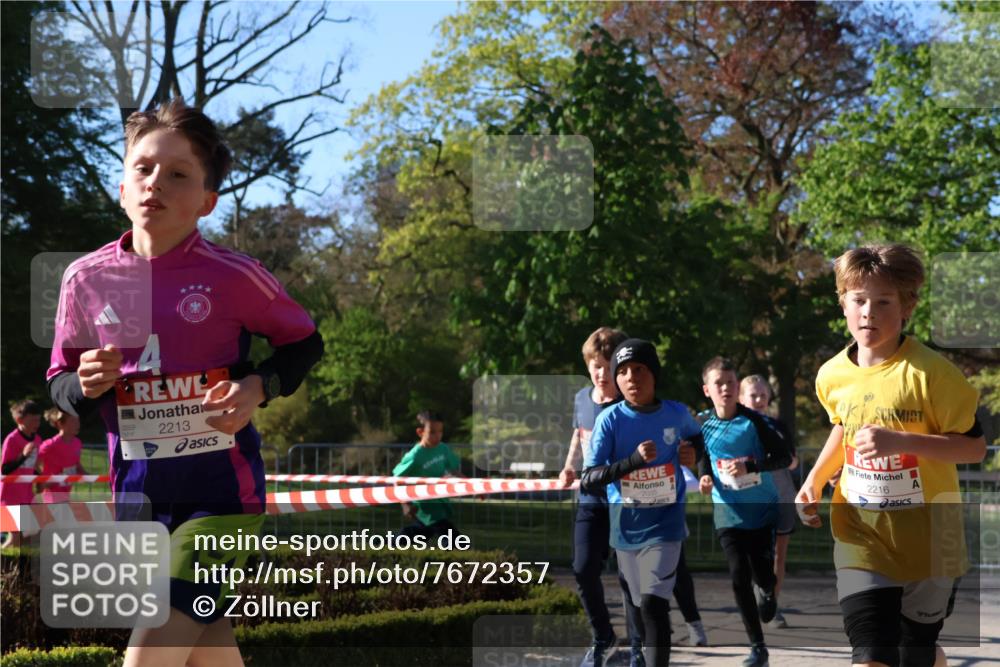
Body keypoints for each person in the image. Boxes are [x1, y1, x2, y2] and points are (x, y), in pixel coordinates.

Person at [47, 98, 323, 667]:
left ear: (206, 202)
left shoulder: (234, 275)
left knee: (147, 657)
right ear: (122, 189)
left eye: (178, 175)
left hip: (221, 498)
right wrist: (84, 384)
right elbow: (60, 382)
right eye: (143, 169)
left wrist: (259, 387)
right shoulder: (84, 280)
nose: (155, 183)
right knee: (207, 653)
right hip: (139, 501)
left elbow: (305, 343)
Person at [796, 244, 985, 667]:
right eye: (859, 300)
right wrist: (814, 479)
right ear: (843, 304)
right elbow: (843, 428)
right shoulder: (831, 375)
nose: (869, 313)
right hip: (861, 535)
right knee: (871, 654)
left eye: (883, 302)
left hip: (931, 540)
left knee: (915, 653)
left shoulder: (932, 374)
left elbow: (974, 447)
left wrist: (901, 442)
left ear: (906, 308)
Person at [581, 338, 705, 667]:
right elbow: (589, 477)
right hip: (626, 527)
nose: (631, 377)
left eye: (639, 369)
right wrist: (633, 462)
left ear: (654, 374)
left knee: (653, 603)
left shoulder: (676, 413)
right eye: (622, 372)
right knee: (638, 605)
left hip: (666, 524)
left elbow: (698, 436)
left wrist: (693, 453)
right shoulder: (610, 420)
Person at [558, 327, 647, 667]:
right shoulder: (582, 399)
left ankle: (637, 647)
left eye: (608, 366)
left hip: (626, 502)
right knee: (582, 569)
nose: (601, 373)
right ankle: (602, 637)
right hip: (591, 500)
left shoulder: (632, 404)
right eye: (595, 365)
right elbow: (578, 435)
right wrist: (570, 466)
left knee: (630, 579)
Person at [698, 357, 791, 667]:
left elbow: (783, 457)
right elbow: (703, 456)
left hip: (761, 509)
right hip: (727, 511)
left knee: (762, 573)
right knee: (739, 575)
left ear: (737, 387)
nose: (726, 388)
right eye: (719, 383)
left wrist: (750, 466)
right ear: (707, 390)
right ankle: (758, 647)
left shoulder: (754, 421)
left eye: (731, 383)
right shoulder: (702, 424)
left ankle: (768, 590)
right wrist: (704, 476)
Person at [739, 374, 798, 628]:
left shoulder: (777, 426)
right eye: (753, 395)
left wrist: (780, 453)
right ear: (741, 398)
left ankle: (772, 605)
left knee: (777, 555)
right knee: (750, 554)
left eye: (763, 395)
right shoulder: (735, 428)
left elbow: (793, 461)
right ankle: (757, 593)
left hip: (781, 495)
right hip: (749, 498)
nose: (759, 400)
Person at [393, 410, 463, 540]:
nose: (438, 436)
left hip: (440, 500)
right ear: (420, 432)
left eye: (440, 431)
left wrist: (473, 486)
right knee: (447, 532)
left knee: (421, 533)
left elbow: (454, 471)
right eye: (432, 432)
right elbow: (397, 479)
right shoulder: (415, 456)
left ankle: (389, 542)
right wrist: (405, 504)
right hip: (424, 504)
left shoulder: (443, 449)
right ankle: (460, 548)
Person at [1, 400, 43, 548]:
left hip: (27, 494)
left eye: (38, 420)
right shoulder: (12, 440)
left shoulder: (37, 439)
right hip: (10, 495)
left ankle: (14, 558)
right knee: (15, 537)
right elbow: (5, 470)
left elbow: (31, 467)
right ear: (20, 420)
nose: (37, 424)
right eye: (32, 420)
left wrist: (40, 479)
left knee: (33, 532)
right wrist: (23, 456)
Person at [37, 407, 85, 503]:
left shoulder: (77, 443)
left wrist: (87, 475)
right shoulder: (49, 445)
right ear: (60, 423)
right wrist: (44, 482)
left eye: (78, 420)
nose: (77, 424)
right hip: (51, 495)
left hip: (66, 493)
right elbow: (34, 463)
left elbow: (76, 464)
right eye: (73, 421)